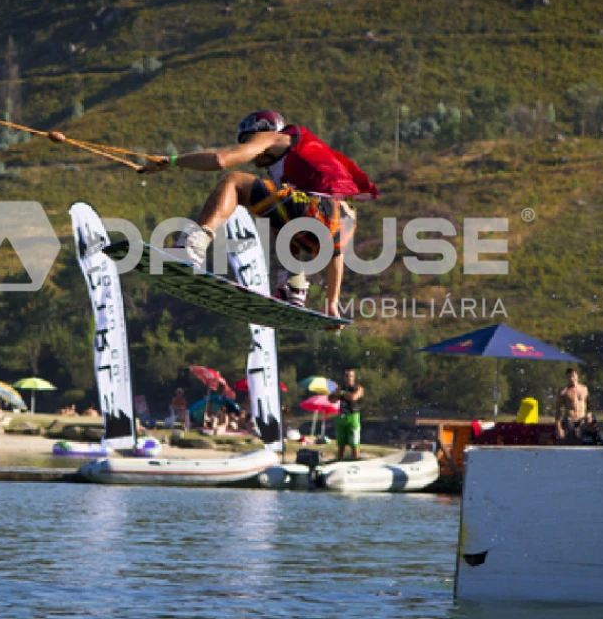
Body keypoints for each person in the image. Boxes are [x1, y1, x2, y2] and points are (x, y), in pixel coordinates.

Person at [53, 111, 378, 318]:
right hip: (331, 228)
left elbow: (224, 160)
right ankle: (293, 290)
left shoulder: (276, 137)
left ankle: (191, 248)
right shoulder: (311, 179)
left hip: (319, 214)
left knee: (235, 183)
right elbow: (336, 246)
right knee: (278, 223)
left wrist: (173, 161)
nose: (252, 152)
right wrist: (332, 301)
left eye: (248, 141)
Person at [330, 369, 364, 460]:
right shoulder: (341, 388)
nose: (349, 378)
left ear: (354, 377)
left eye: (351, 376)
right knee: (341, 445)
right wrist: (335, 393)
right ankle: (340, 461)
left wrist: (341, 393)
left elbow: (353, 397)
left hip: (353, 418)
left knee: (354, 444)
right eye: (347, 376)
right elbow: (331, 399)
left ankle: (356, 460)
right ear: (345, 377)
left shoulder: (358, 388)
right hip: (341, 417)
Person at [554, 368, 589, 444]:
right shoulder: (564, 391)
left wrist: (589, 414)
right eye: (569, 376)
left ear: (577, 376)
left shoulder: (584, 389)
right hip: (570, 420)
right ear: (567, 377)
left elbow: (590, 404)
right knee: (571, 441)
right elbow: (558, 410)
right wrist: (559, 428)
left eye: (573, 376)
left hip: (582, 419)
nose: (571, 378)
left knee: (583, 441)